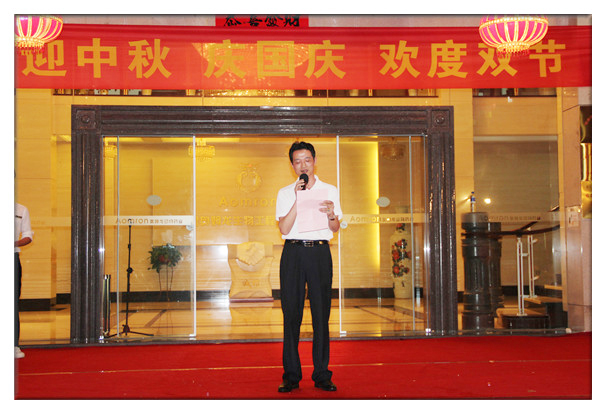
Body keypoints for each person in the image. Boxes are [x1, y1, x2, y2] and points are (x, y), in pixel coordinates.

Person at [275, 141, 342, 393]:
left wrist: (331, 214)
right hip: (293, 252)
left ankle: (322, 374)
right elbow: (283, 228)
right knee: (291, 314)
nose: (303, 165)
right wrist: (298, 198)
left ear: (314, 161)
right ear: (292, 165)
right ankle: (291, 375)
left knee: (321, 314)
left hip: (319, 253)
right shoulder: (285, 192)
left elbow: (334, 227)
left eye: (307, 160)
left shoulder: (330, 190)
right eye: (297, 161)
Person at [15, 203, 33, 359]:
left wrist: (14, 243)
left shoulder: (21, 210)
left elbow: (28, 235)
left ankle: (14, 345)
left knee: (12, 303)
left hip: (12, 256)